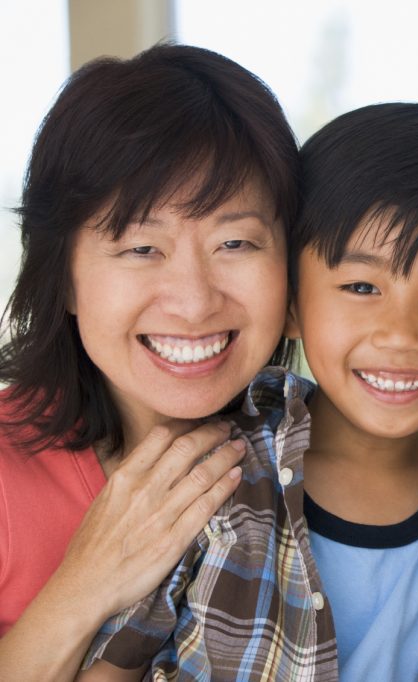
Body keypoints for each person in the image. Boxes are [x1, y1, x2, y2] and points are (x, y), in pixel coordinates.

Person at [82, 102, 418, 681]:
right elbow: (111, 669)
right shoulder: (212, 475)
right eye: (361, 285)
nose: (401, 333)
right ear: (290, 304)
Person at [0, 43, 301, 681]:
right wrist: (85, 584)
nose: (193, 302)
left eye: (236, 242)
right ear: (64, 276)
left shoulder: (314, 455)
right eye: (141, 247)